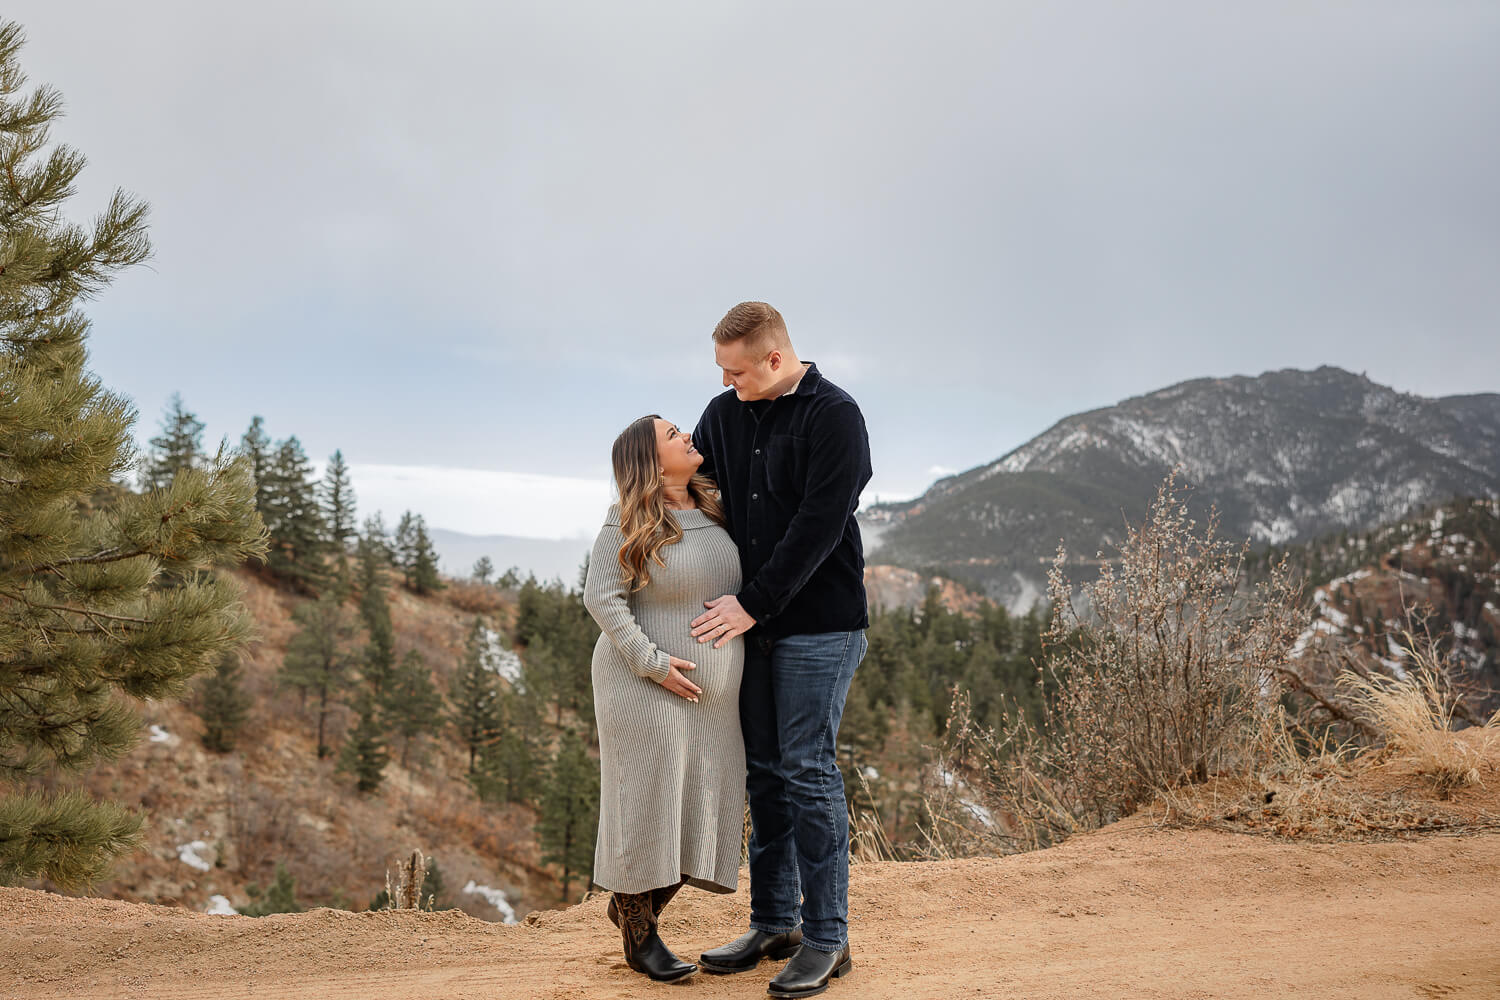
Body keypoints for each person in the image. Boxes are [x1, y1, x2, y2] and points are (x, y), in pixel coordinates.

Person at [690, 302, 872, 998]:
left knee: (806, 770)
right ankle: (773, 922)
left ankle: (828, 937)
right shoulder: (722, 413)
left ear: (773, 359)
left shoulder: (835, 415)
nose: (726, 383)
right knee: (762, 774)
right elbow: (698, 496)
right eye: (720, 371)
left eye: (736, 371)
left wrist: (753, 603)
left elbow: (820, 525)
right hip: (751, 625)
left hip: (820, 625)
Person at [581, 413, 747, 984]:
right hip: (641, 686)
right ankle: (640, 935)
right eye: (672, 435)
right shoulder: (629, 519)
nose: (687, 437)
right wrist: (653, 664)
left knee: (703, 800)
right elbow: (601, 596)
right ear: (650, 462)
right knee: (646, 801)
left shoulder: (717, 507)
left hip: (711, 697)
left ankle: (635, 904)